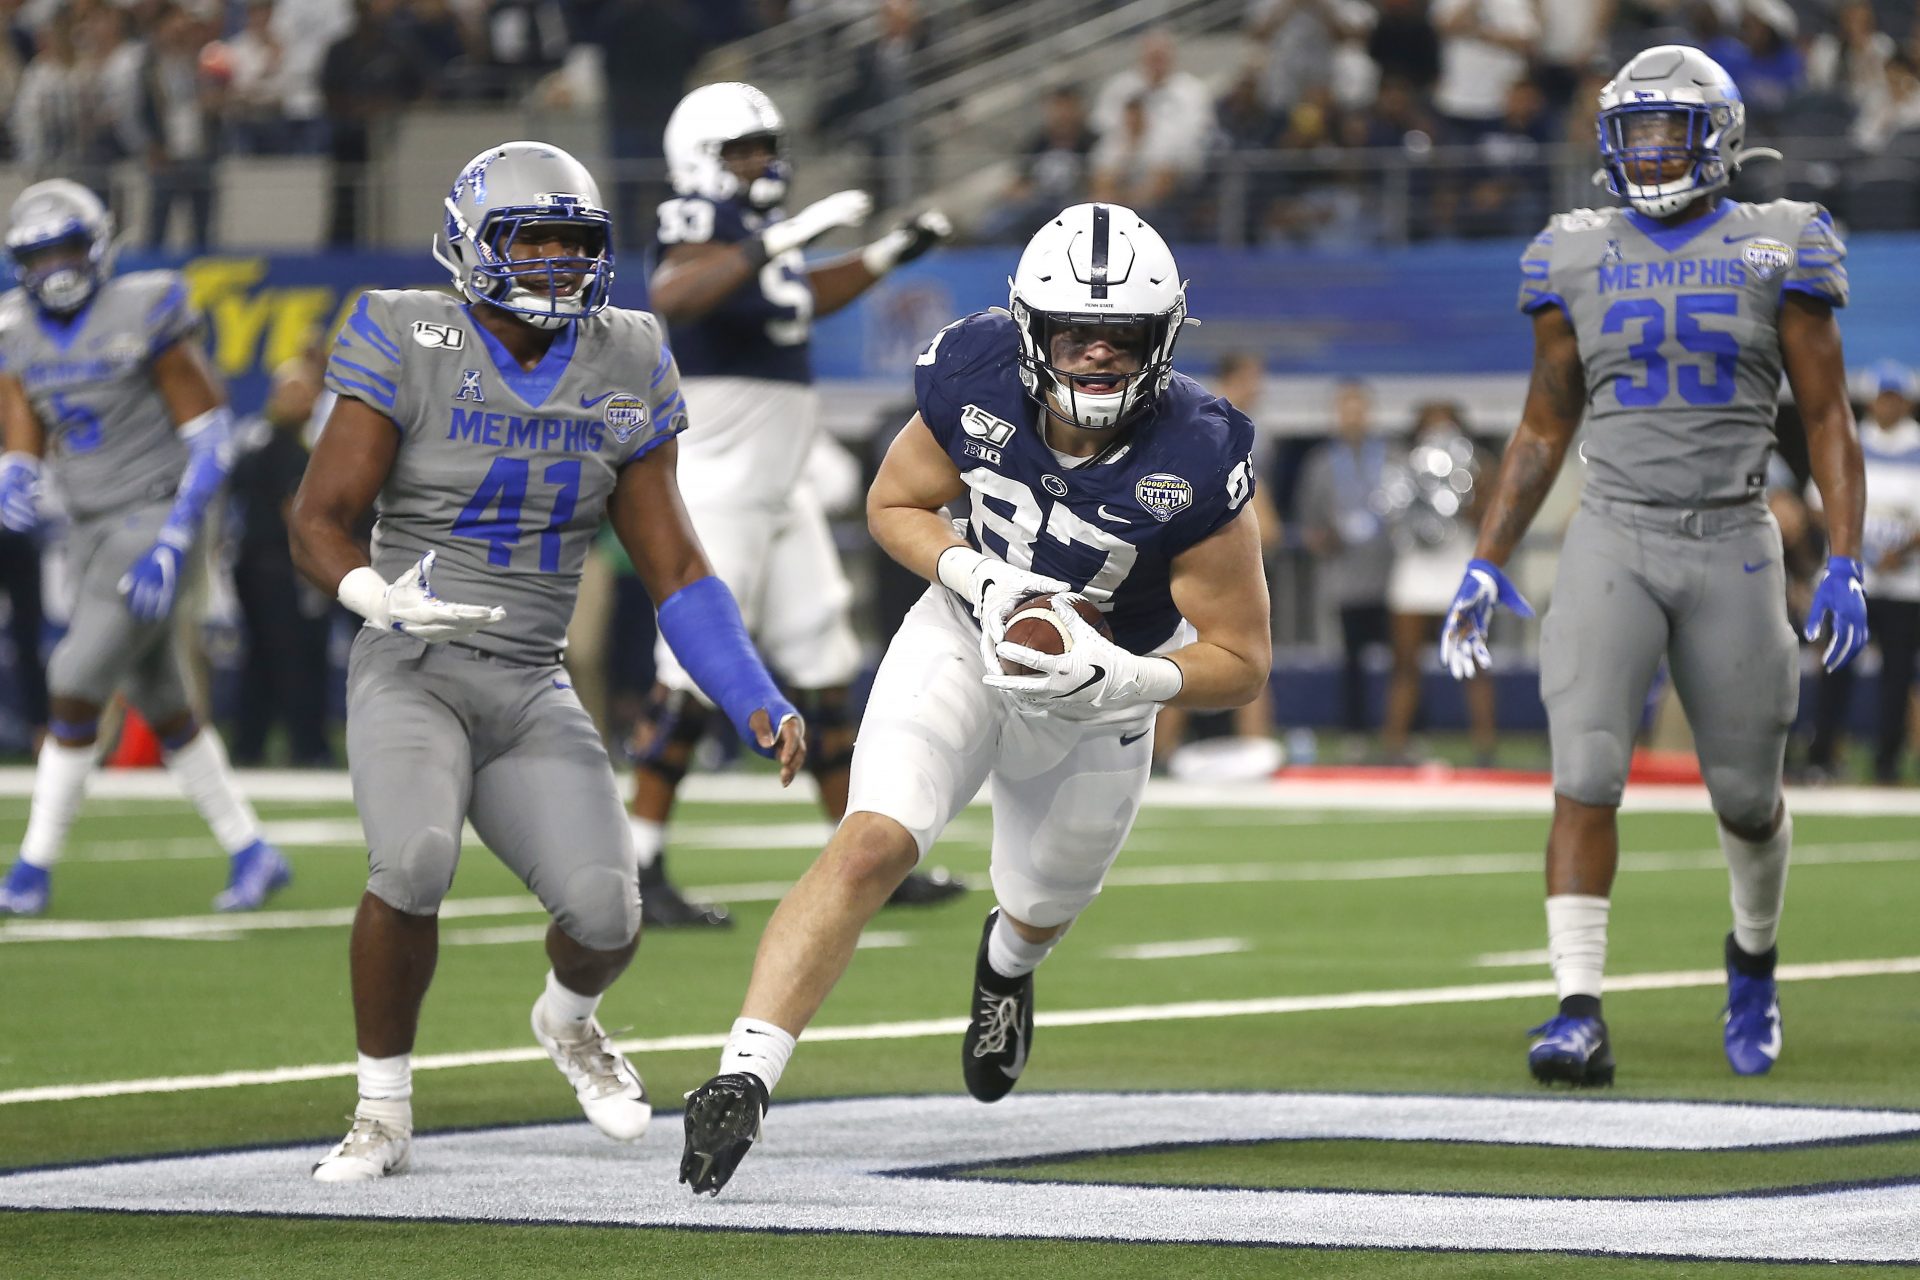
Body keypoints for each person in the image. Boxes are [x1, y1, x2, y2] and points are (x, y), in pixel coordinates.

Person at [679, 203, 1272, 1197]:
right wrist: (980, 576)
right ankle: (744, 1072)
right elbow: (892, 504)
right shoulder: (974, 372)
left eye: (1118, 335)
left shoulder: (1198, 453)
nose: (1092, 356)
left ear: (1161, 337)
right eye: (1072, 333)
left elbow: (1243, 658)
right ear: (1028, 330)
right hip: (963, 633)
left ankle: (1005, 963)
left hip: (1100, 691)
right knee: (871, 838)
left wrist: (1133, 677)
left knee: (1042, 901)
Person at [288, 141, 805, 1182]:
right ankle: (381, 1107)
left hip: (529, 677)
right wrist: (367, 592)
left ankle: (568, 1019)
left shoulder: (629, 354)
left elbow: (676, 562)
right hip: (413, 663)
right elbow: (318, 517)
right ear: (472, 243)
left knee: (609, 912)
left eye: (578, 246)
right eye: (535, 244)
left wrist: (752, 692)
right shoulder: (405, 328)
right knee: (415, 858)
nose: (561, 266)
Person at [1442, 46, 1866, 1086]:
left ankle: (1753, 955)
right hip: (1613, 532)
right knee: (1584, 774)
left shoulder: (1781, 243)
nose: (1650, 149)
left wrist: (1845, 555)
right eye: (1633, 130)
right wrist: (1486, 558)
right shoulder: (1572, 250)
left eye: (1670, 128)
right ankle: (1577, 1005)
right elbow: (1545, 422)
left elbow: (1825, 416)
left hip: (1732, 536)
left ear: (1715, 135)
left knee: (1746, 797)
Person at [632, 80, 956, 927]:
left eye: (765, 147)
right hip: (721, 479)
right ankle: (638, 864)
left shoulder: (751, 240)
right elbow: (676, 291)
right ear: (702, 158)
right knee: (692, 674)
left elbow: (797, 299)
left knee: (822, 659)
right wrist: (783, 236)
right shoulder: (700, 220)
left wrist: (888, 254)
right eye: (744, 150)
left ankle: (862, 855)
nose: (762, 164)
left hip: (777, 484)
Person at [0, 179, 291, 917]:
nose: (55, 267)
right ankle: (252, 851)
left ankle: (31, 870)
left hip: (156, 513)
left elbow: (213, 435)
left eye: (67, 248)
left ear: (98, 246)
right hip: (91, 525)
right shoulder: (17, 330)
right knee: (164, 702)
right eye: (39, 254)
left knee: (72, 676)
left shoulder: (144, 306)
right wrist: (18, 471)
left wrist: (176, 536)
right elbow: (25, 417)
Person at [1807, 359, 1920, 782]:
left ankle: (1887, 762)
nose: (1887, 405)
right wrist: (1858, 549)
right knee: (1836, 666)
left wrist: (1899, 552)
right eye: (1882, 396)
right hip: (1849, 578)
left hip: (1905, 583)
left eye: (1895, 397)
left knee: (1897, 674)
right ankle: (1823, 754)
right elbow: (1818, 506)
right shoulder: (1850, 439)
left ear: (1906, 402)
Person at [227, 358, 332, 766]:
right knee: (293, 658)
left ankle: (249, 746)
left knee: (262, 658)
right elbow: (297, 512)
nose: (300, 401)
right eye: (293, 393)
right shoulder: (290, 447)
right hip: (282, 566)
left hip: (254, 563)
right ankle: (307, 748)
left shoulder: (254, 439)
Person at [1381, 401, 1496, 765]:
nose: (1438, 433)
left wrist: (1470, 484)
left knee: (1472, 663)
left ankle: (1485, 747)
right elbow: (1391, 514)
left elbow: (1488, 514)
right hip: (1414, 573)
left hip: (1457, 571)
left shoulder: (1477, 464)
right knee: (1405, 664)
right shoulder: (1402, 464)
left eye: (1446, 425)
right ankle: (1394, 745)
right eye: (1430, 425)